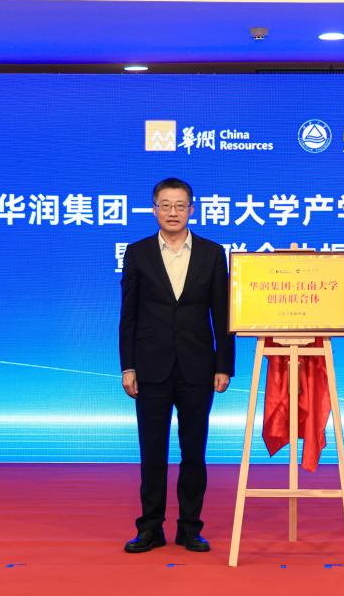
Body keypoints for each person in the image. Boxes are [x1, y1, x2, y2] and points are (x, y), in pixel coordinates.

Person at [119, 177, 234, 553]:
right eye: (165, 205)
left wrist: (224, 365)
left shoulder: (211, 253)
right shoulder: (138, 253)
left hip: (198, 367)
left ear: (191, 209)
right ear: (154, 209)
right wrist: (128, 366)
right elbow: (129, 315)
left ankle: (190, 527)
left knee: (193, 452)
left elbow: (223, 314)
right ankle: (150, 528)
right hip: (150, 368)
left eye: (180, 205)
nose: (173, 212)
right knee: (152, 452)